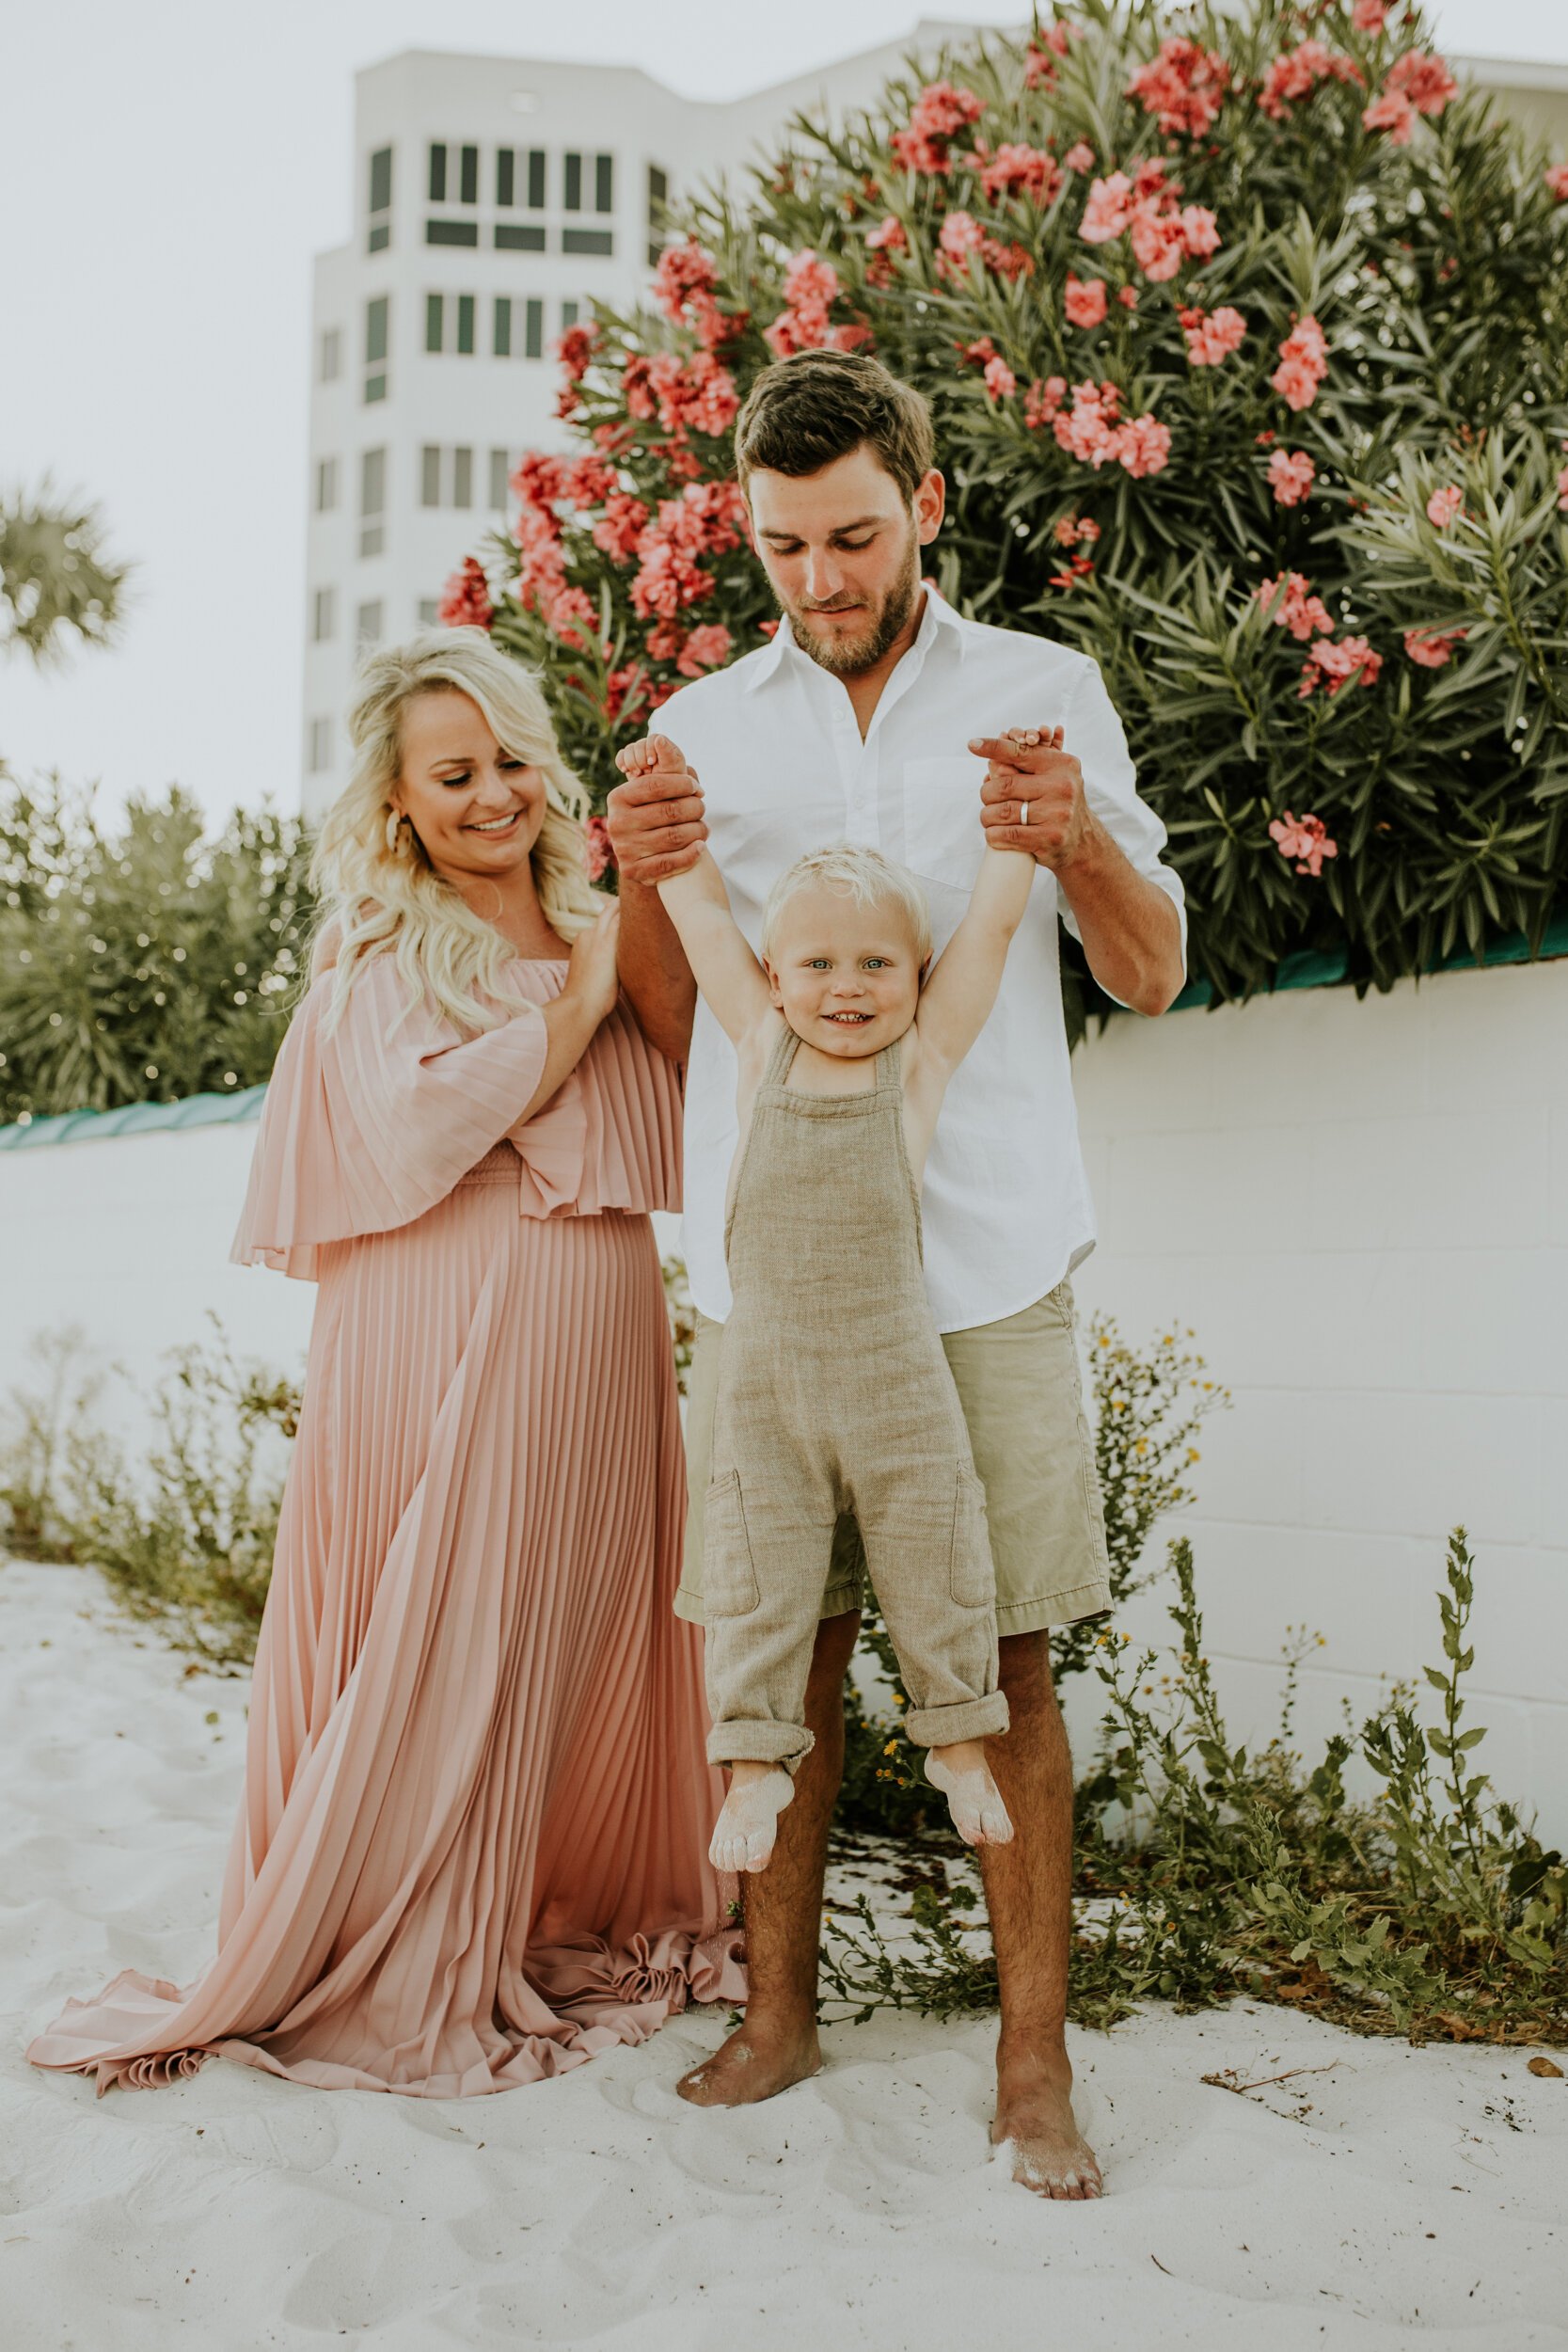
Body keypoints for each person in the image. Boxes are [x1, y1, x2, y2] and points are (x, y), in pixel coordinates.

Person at [606, 349, 1187, 2200]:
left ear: (923, 504)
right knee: (801, 1633)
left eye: (853, 534)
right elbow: (664, 1001)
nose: (823, 575)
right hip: (779, 1283)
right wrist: (642, 868)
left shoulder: (1042, 692)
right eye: (786, 543)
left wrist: (1071, 829)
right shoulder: (710, 720)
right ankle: (778, 2012)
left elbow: (1154, 967)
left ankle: (1034, 2066)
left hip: (991, 1259)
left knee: (1003, 1653)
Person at [27, 628, 741, 2099]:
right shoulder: (382, 944)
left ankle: (556, 1895)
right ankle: (408, 1927)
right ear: (399, 801)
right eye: (454, 773)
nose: (493, 794)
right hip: (448, 1303)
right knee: (449, 1611)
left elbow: (690, 1069)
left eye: (509, 761)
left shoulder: (597, 911)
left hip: (601, 1304)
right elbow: (432, 1128)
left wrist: (639, 928)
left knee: (574, 1610)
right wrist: (589, 988)